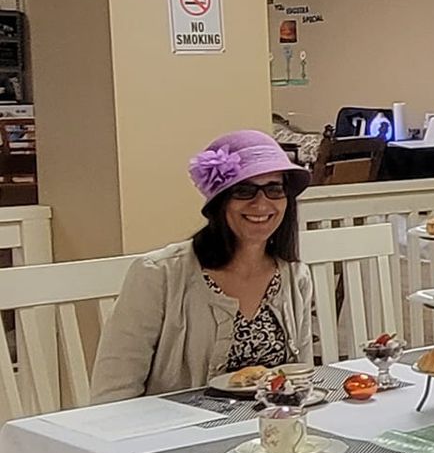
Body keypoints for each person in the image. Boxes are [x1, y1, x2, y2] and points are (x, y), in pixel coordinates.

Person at [92, 130, 316, 402]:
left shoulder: (294, 276)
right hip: (177, 433)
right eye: (244, 191)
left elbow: (300, 379)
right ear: (219, 203)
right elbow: (113, 393)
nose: (261, 203)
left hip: (268, 432)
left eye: (274, 189)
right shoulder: (158, 275)